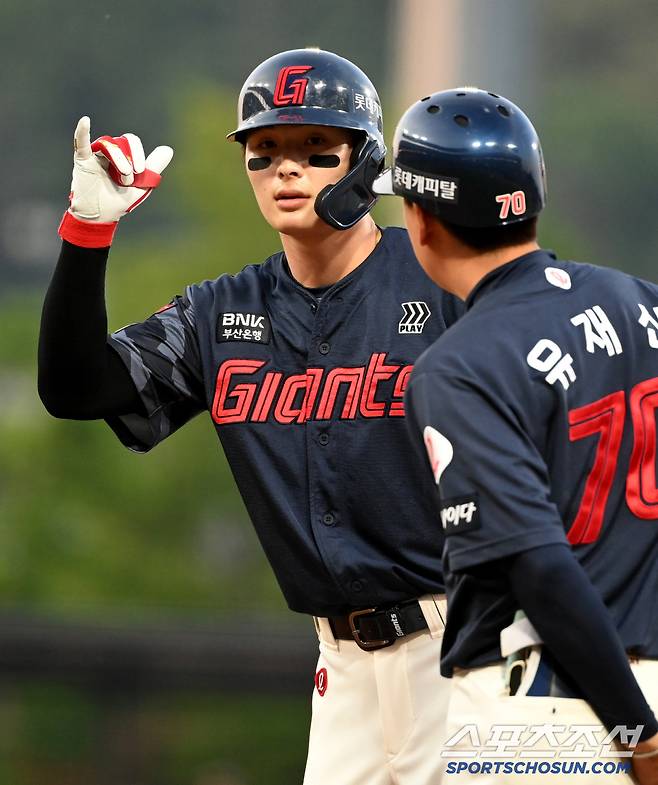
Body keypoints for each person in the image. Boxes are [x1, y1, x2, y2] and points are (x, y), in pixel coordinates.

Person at [38, 49, 463, 785]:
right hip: (342, 671)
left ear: (365, 164)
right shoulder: (221, 312)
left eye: (315, 148)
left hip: (466, 644)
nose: (286, 169)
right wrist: (86, 233)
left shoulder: (444, 280)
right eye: (264, 150)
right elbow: (75, 389)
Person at [372, 87, 658, 784]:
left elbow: (540, 567)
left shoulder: (459, 365)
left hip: (548, 711)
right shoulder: (640, 300)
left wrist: (641, 740)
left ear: (422, 220)